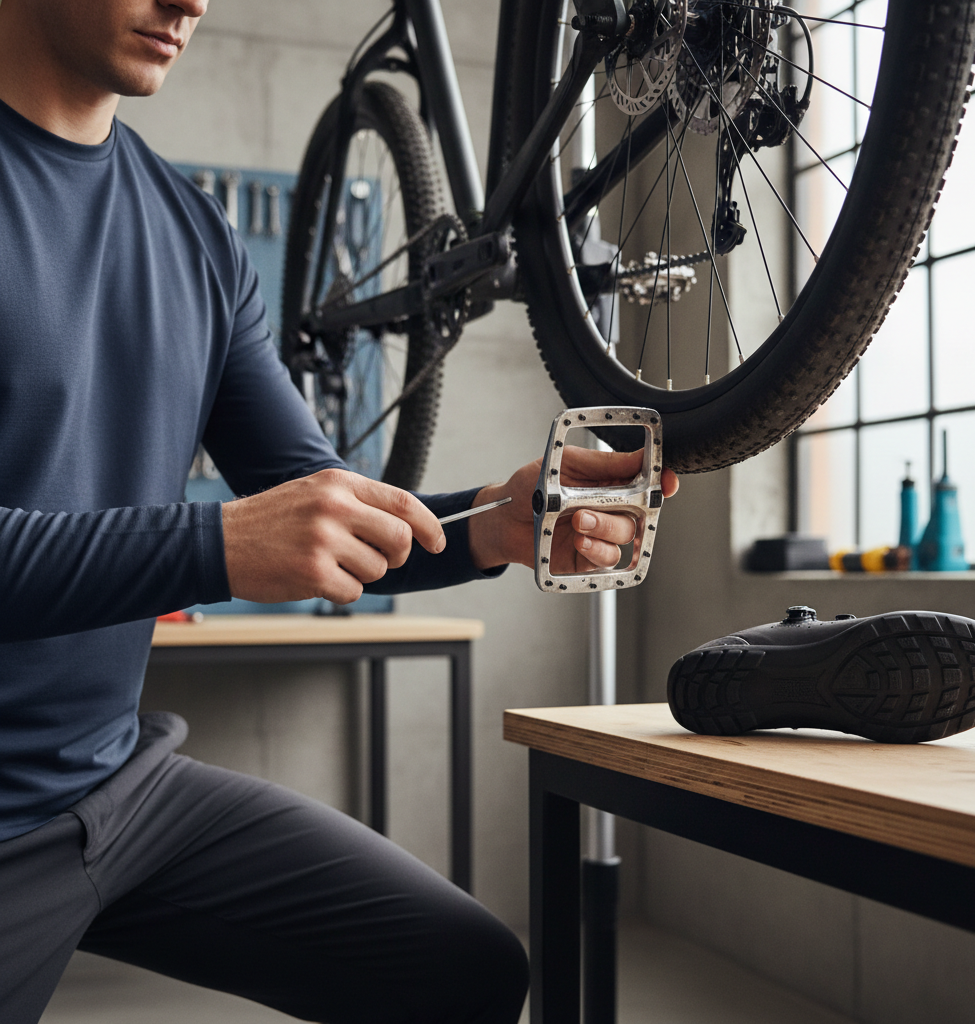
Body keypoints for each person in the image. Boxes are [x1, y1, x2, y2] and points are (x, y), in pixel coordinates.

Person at [0, 2, 679, 1022]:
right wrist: (219, 545)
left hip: (119, 791)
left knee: (464, 969)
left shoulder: (194, 236)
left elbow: (312, 498)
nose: (191, 1)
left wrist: (489, 523)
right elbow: (252, 531)